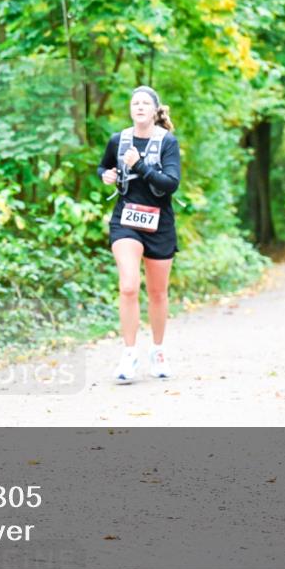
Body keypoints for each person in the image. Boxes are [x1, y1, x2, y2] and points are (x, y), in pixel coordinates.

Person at [97, 86, 181, 384]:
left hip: (160, 223)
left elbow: (170, 183)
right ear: (130, 109)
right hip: (126, 220)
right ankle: (129, 353)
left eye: (146, 102)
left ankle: (157, 351)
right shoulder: (118, 140)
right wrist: (105, 175)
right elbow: (103, 166)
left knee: (157, 293)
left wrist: (140, 165)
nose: (140, 106)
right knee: (129, 287)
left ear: (156, 110)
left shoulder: (167, 142)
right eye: (135, 102)